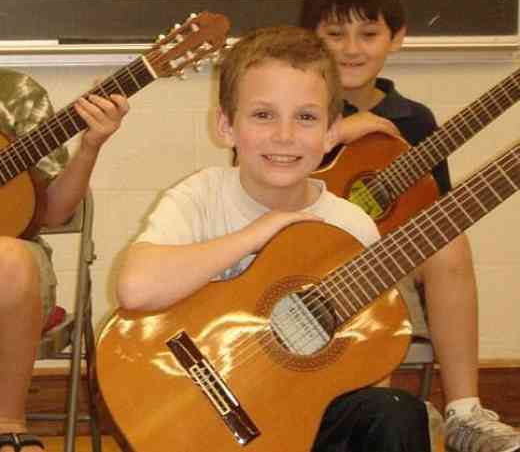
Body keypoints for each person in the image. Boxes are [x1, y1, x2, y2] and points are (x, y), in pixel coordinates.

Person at [116, 25, 431, 452]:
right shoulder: (200, 196)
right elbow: (135, 288)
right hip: (197, 412)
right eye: (263, 115)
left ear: (331, 130)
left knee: (395, 410)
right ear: (226, 126)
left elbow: (370, 364)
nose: (285, 136)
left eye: (305, 117)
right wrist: (259, 231)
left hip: (299, 415)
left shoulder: (351, 227)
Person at [300, 0, 520, 452]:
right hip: (303, 266)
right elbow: (259, 192)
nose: (351, 48)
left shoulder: (414, 120)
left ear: (397, 38)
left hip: (390, 273)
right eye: (335, 34)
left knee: (448, 239)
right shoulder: (289, 111)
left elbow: (436, 215)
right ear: (311, 41)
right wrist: (334, 134)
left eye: (369, 33)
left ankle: (463, 413)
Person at [0, 68, 129, 452]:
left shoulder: (14, 92)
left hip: (10, 277)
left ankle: (7, 424)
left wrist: (91, 144)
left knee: (9, 258)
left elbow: (54, 213)